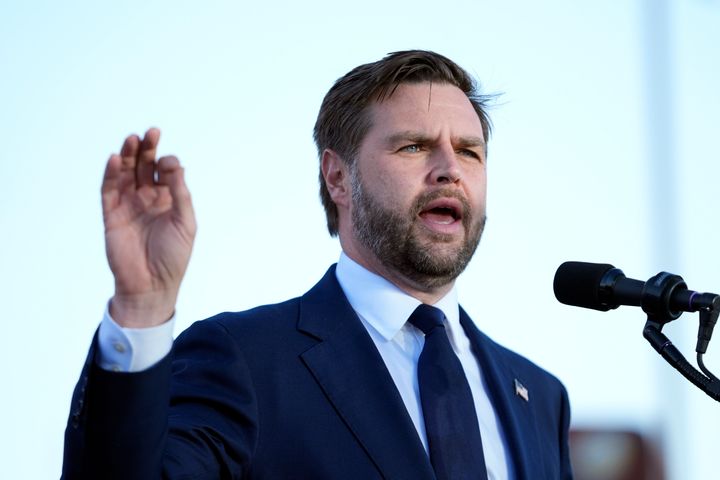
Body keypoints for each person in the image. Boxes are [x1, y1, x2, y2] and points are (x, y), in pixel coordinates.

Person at [62, 50, 572, 479]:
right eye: (414, 147)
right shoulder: (247, 361)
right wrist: (142, 305)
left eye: (469, 152)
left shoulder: (541, 400)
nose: (450, 171)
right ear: (337, 178)